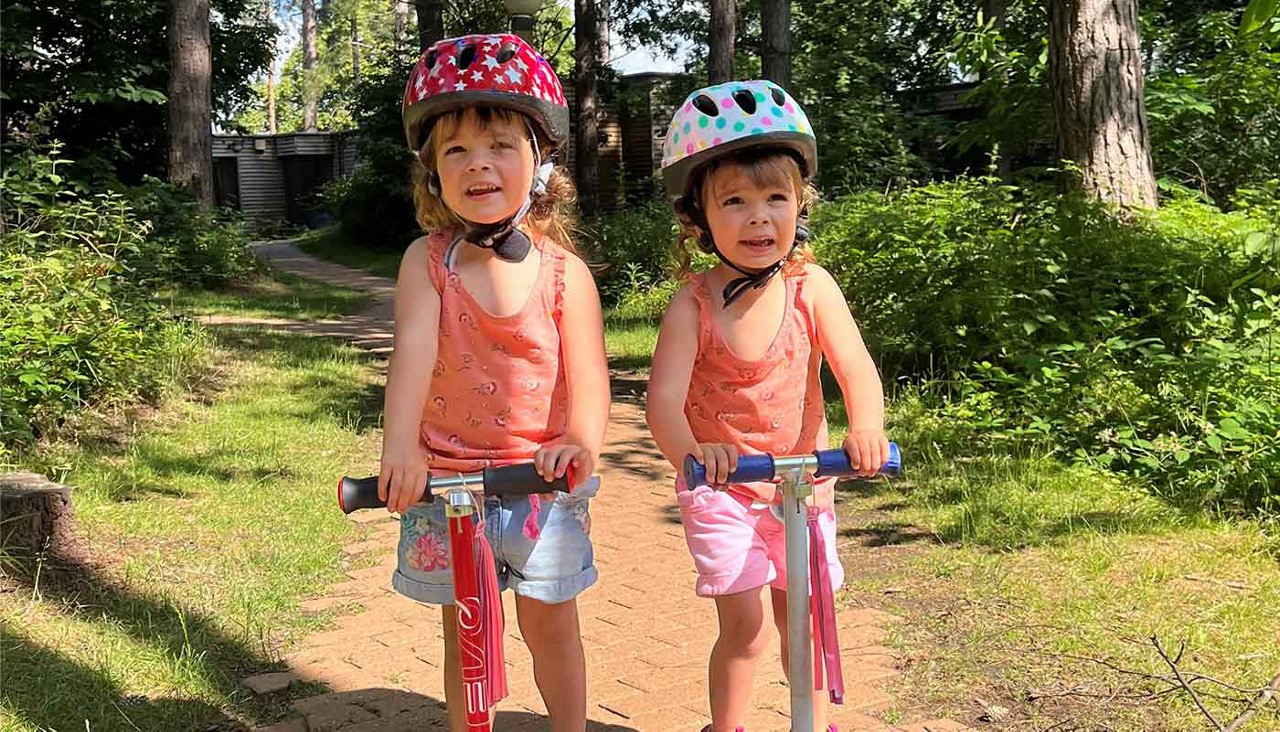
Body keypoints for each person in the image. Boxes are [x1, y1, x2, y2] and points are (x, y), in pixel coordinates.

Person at [378, 33, 610, 732]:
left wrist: (580, 441)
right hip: (448, 484)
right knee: (468, 634)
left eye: (501, 145)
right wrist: (400, 449)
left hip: (540, 482)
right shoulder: (427, 262)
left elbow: (590, 376)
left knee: (551, 627)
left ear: (539, 162)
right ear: (433, 173)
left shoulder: (565, 273)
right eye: (456, 151)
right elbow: (411, 355)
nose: (478, 163)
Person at [644, 80, 890, 732]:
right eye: (735, 201)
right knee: (746, 625)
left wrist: (866, 427)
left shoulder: (813, 288)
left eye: (775, 198)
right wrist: (694, 454)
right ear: (698, 218)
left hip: (804, 486)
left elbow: (856, 370)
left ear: (799, 205)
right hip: (724, 489)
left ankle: (811, 725)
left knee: (803, 621)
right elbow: (663, 404)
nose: (759, 217)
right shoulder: (693, 304)